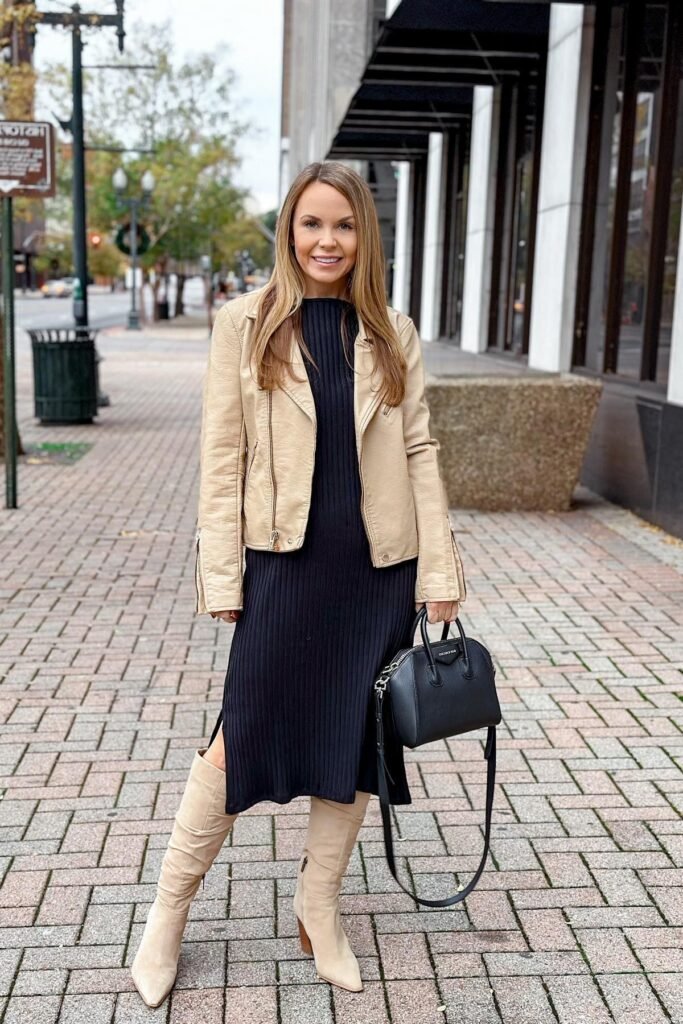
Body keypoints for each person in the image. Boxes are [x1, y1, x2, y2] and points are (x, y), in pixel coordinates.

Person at [131, 161, 467, 1008]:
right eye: (312, 223)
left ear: (364, 236)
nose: (327, 241)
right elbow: (222, 457)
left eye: (343, 225)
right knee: (238, 735)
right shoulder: (244, 324)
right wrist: (221, 573)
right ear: (288, 230)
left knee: (353, 741)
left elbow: (418, 450)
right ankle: (167, 913)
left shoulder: (391, 329)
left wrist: (439, 571)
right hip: (284, 564)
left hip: (375, 574)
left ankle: (319, 910)